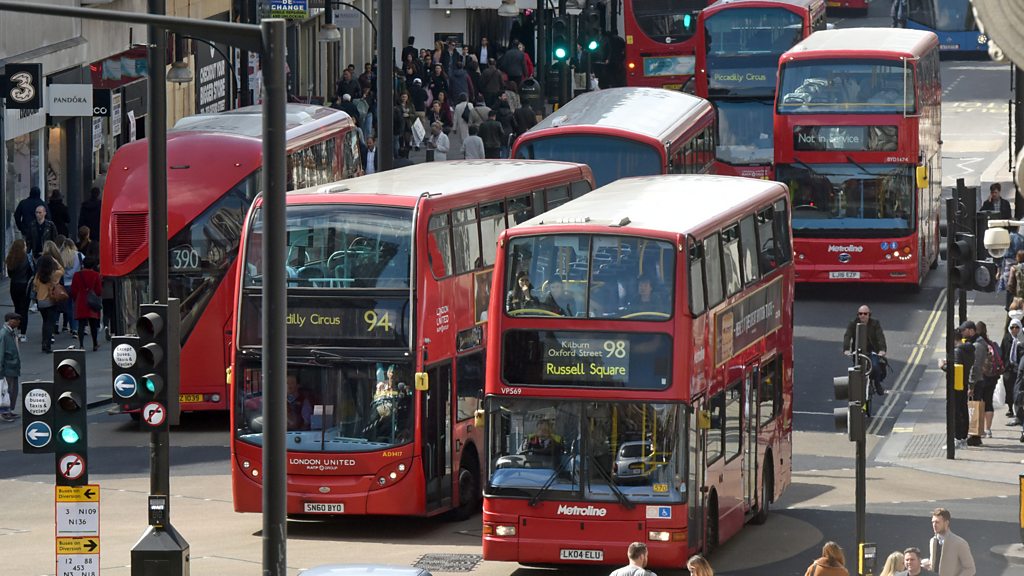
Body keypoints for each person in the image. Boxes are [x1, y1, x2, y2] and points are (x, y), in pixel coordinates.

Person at [843, 305, 888, 395]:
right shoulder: (853, 323)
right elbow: (847, 336)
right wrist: (846, 349)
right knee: (856, 371)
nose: (862, 316)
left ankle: (877, 383)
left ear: (869, 315)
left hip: (872, 351)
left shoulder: (875, 323)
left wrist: (882, 350)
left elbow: (880, 337)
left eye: (865, 314)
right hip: (859, 351)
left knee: (875, 367)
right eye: (860, 314)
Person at [922, 508, 975, 576]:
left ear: (946, 523)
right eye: (933, 522)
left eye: (937, 522)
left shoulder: (959, 543)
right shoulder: (933, 541)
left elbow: (970, 569)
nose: (934, 525)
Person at [33, 250, 64, 354]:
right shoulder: (54, 274)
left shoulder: (38, 275)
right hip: (50, 301)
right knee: (50, 323)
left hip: (41, 301)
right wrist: (55, 260)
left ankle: (43, 343)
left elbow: (35, 286)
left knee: (45, 322)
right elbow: (62, 269)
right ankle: (48, 344)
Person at [71, 256, 103, 351]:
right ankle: (95, 343)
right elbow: (98, 291)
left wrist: (76, 298)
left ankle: (81, 345)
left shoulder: (77, 275)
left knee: (81, 324)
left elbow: (74, 290)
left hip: (81, 300)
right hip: (92, 300)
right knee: (93, 324)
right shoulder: (95, 275)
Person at [975, 321, 1001, 437]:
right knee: (988, 401)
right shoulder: (992, 344)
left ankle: (978, 428)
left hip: (980, 377)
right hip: (992, 377)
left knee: (979, 402)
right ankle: (988, 429)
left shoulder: (977, 344)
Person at [6, 239, 32, 343]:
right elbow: (31, 271)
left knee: (17, 308)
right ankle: (23, 333)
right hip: (25, 285)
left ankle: (16, 329)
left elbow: (10, 274)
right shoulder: (26, 258)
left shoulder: (11, 258)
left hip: (14, 285)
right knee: (24, 310)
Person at [0, 313, 22, 422]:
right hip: (7, 368)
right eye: (16, 320)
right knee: (6, 391)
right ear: (9, 320)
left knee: (13, 390)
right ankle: (5, 412)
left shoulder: (11, 333)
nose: (18, 322)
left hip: (13, 367)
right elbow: (1, 353)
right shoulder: (4, 334)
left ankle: (9, 410)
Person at [1002, 319, 1023, 426]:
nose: (1014, 329)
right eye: (1012, 327)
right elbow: (1003, 352)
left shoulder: (1022, 339)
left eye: (1016, 327)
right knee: (1009, 390)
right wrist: (1004, 366)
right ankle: (1010, 408)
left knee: (1018, 392)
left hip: (1019, 370)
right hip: (1008, 369)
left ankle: (1018, 413)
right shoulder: (1007, 338)